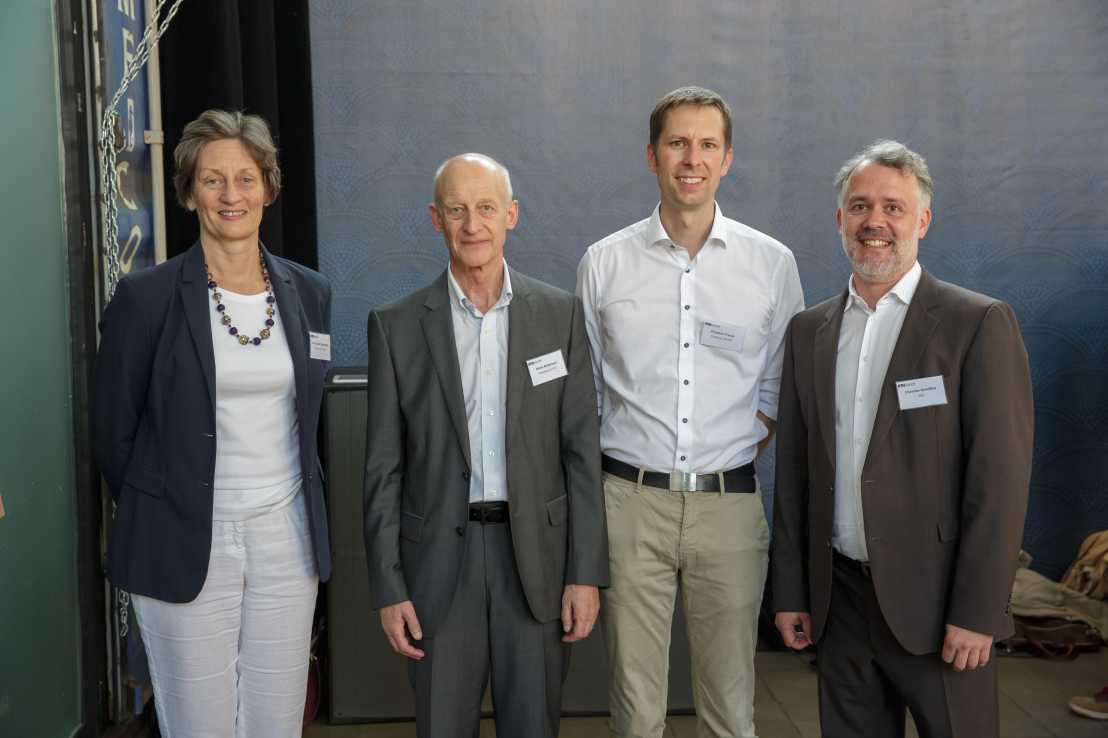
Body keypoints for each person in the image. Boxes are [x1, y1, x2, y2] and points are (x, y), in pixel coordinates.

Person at [771, 140, 1034, 738]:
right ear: (840, 220)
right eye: (860, 207)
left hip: (940, 609)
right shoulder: (809, 330)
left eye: (893, 207)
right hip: (839, 605)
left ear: (922, 220)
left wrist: (978, 610)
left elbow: (1000, 481)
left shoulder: (976, 323)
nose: (875, 222)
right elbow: (794, 475)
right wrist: (791, 592)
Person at [93, 109, 333, 738]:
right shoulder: (145, 298)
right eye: (213, 180)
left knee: (276, 722)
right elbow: (113, 436)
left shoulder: (309, 294)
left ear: (269, 187)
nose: (232, 195)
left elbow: (309, 414)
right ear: (189, 192)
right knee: (199, 726)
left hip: (287, 537)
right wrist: (175, 503)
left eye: (247, 178)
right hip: (184, 537)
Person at [576, 86, 804, 738]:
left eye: (707, 144)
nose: (691, 158)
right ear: (652, 155)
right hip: (629, 504)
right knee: (635, 704)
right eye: (678, 142)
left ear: (727, 158)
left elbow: (777, 390)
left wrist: (722, 456)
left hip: (729, 508)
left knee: (731, 707)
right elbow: (587, 393)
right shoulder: (604, 263)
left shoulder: (771, 265)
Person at [363, 153, 608, 737]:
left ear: (511, 216)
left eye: (486, 209)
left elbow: (581, 455)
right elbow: (382, 470)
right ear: (435, 219)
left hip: (537, 567)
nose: (472, 224)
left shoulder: (559, 316)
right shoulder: (395, 327)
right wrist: (389, 586)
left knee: (533, 726)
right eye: (456, 210)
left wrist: (585, 572)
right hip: (438, 570)